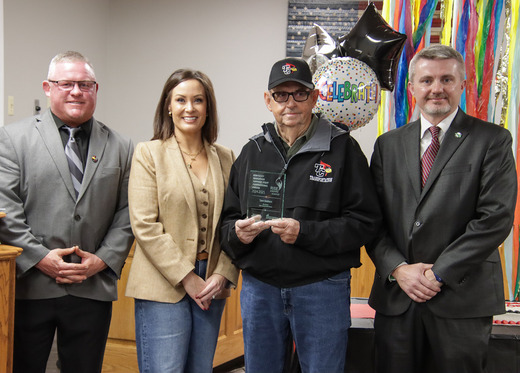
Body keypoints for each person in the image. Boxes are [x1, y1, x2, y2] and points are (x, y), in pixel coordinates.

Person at [220, 57, 382, 373]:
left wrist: (304, 232)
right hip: (260, 290)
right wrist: (237, 234)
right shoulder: (252, 151)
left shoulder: (343, 149)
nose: (290, 103)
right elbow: (227, 221)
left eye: (299, 94)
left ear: (314, 97)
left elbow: (366, 222)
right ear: (268, 101)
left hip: (321, 289)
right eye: (281, 94)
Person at [366, 44, 517, 373]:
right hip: (398, 298)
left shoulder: (493, 140)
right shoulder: (387, 145)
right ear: (412, 88)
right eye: (427, 80)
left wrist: (437, 273)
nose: (436, 88)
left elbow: (495, 219)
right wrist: (398, 269)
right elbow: (371, 220)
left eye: (447, 79)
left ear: (462, 84)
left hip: (461, 298)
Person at [0, 51, 135, 373]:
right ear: (47, 87)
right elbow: (3, 209)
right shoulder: (13, 139)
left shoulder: (121, 146)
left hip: (91, 286)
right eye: (66, 83)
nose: (76, 91)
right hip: (30, 286)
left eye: (85, 84)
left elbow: (127, 213)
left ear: (96, 89)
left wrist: (102, 260)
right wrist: (41, 257)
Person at [126, 69, 239, 373]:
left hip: (211, 285)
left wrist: (223, 272)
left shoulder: (226, 157)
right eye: (181, 100)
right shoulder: (148, 154)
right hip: (164, 283)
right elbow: (145, 225)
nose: (190, 108)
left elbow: (234, 222)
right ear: (168, 106)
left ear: (208, 107)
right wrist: (188, 277)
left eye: (198, 100)